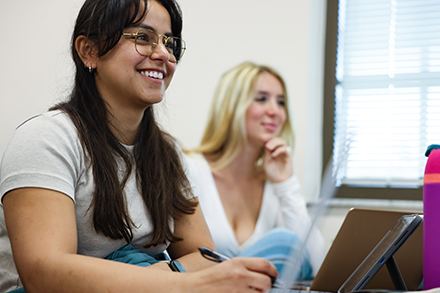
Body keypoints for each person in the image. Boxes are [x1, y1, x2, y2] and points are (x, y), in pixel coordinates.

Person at [0, 1, 278, 292]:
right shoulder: (47, 138)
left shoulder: (168, 155)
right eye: (143, 38)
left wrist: (164, 271)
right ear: (89, 51)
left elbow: (206, 257)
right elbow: (45, 274)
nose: (163, 55)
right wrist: (174, 283)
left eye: (170, 43)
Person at [185, 62, 327, 281]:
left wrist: (285, 184)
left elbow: (316, 264)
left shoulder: (273, 186)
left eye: (281, 102)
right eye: (261, 99)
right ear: (231, 106)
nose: (275, 111)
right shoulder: (190, 169)